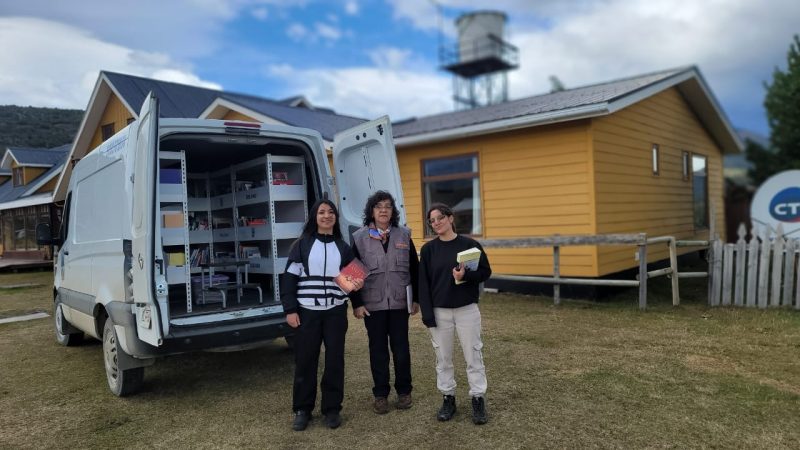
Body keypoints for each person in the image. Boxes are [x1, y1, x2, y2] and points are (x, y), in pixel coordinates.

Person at [280, 199, 363, 431]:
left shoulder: (343, 247)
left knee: (335, 360)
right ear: (315, 217)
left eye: (331, 212)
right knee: (305, 360)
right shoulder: (301, 245)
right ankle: (302, 409)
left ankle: (332, 408)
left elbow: (354, 280)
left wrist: (358, 304)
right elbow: (288, 279)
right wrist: (290, 309)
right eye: (322, 212)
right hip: (307, 311)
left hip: (336, 312)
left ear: (336, 218)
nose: (327, 216)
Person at [418, 203, 492, 425]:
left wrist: (465, 275)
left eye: (440, 218)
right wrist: (427, 314)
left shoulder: (470, 245)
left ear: (450, 218)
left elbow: (485, 272)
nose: (436, 223)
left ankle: (478, 398)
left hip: (466, 310)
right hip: (440, 313)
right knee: (443, 358)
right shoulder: (429, 250)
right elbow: (423, 284)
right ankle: (448, 397)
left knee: (473, 355)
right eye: (432, 221)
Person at [350, 191, 419, 415]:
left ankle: (404, 391)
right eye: (378, 206)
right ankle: (380, 395)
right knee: (377, 350)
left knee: (401, 350)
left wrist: (416, 299)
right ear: (371, 211)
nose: (383, 210)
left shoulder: (404, 235)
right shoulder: (359, 238)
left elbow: (414, 270)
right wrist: (357, 303)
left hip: (400, 304)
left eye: (388, 206)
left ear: (393, 211)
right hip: (373, 305)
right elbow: (351, 273)